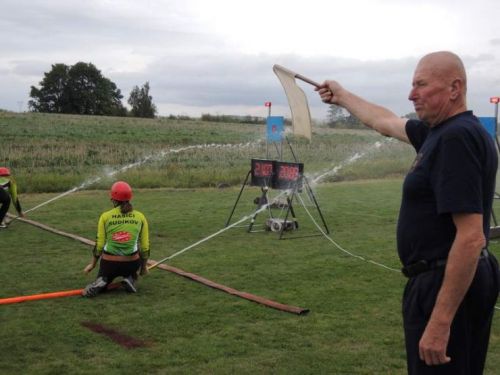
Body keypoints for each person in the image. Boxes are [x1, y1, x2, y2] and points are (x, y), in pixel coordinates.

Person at [317, 51, 499, 374]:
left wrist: (441, 322)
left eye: (421, 85)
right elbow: (384, 121)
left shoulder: (456, 137)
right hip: (447, 278)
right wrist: (342, 96)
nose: (411, 94)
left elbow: (471, 238)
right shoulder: (439, 133)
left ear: (454, 88)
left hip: (445, 281)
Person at [83, 181, 150, 297]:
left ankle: (102, 280)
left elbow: (99, 244)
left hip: (109, 264)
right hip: (131, 263)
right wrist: (143, 267)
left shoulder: (105, 216)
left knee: (106, 273)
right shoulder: (140, 216)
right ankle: (130, 278)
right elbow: (145, 247)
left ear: (113, 199)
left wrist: (92, 264)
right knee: (135, 256)